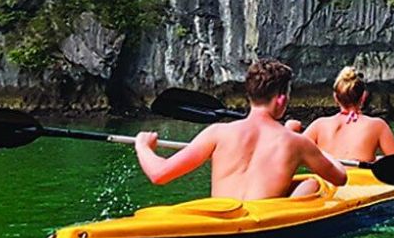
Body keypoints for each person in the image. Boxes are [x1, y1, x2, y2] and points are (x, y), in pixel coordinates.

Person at [134, 58, 347, 200]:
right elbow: (340, 178)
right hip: (261, 227)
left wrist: (142, 146)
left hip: (218, 218)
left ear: (250, 94)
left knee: (306, 183)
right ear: (281, 99)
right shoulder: (297, 143)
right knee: (312, 184)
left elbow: (159, 174)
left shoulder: (217, 133)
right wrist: (323, 150)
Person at [303, 66, 394, 162]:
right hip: (359, 178)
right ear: (363, 97)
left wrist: (291, 129)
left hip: (328, 179)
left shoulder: (319, 125)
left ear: (335, 97)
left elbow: (293, 150)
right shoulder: (378, 126)